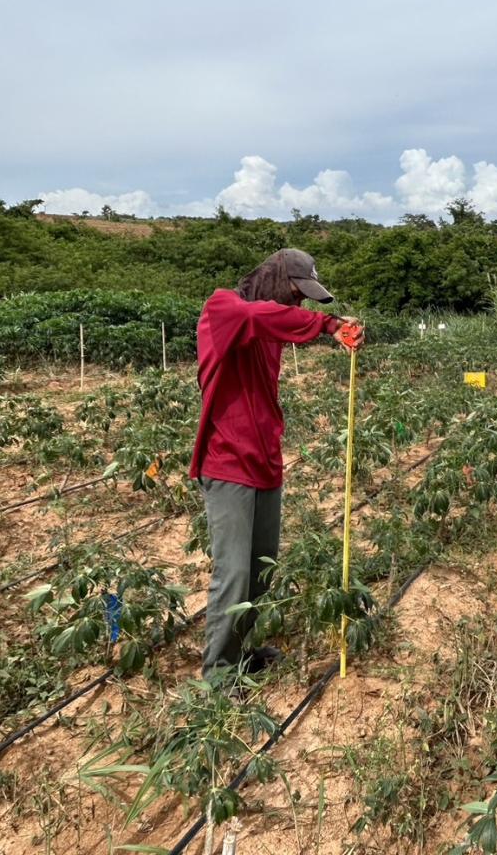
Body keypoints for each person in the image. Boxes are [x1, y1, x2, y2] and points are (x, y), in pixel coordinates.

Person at [189, 248, 360, 677]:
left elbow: (270, 325)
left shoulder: (268, 335)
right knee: (234, 575)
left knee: (261, 569)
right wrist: (329, 326)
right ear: (274, 281)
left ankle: (243, 652)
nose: (298, 304)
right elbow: (255, 316)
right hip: (227, 462)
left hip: (265, 460)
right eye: (295, 294)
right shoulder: (223, 309)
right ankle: (218, 677)